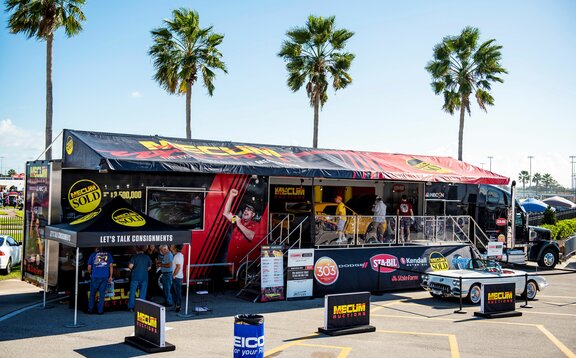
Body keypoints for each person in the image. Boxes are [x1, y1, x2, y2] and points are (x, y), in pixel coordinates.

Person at [87, 247, 113, 315]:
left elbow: (89, 267)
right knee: (102, 295)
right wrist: (110, 276)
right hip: (104, 277)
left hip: (95, 277)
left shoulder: (93, 255)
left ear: (96, 249)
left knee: (92, 294)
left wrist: (90, 274)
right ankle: (100, 311)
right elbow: (111, 266)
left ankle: (90, 310)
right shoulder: (108, 255)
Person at [127, 246, 152, 312]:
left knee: (132, 292)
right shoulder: (147, 257)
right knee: (142, 293)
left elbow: (130, 267)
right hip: (144, 277)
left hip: (135, 277)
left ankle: (131, 307)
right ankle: (141, 308)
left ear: (137, 250)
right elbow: (149, 268)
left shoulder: (134, 257)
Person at [171, 245, 184, 312]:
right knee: (175, 292)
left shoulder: (177, 256)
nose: (170, 247)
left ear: (175, 248)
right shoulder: (179, 255)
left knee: (177, 292)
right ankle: (176, 306)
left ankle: (178, 307)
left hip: (177, 277)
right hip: (178, 277)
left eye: (172, 246)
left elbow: (178, 267)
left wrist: (174, 275)